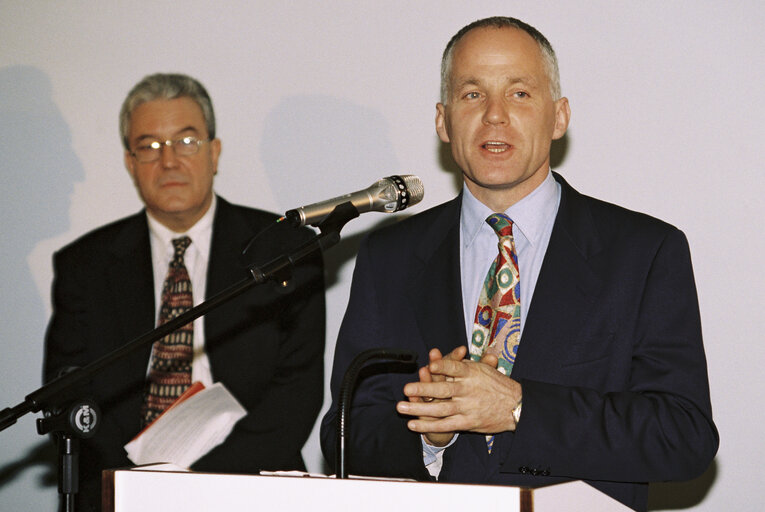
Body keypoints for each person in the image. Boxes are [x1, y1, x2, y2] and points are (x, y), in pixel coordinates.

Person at [320, 17, 717, 512]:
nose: (493, 116)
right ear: (443, 122)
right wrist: (432, 435)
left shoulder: (644, 252)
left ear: (559, 117)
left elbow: (683, 436)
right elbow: (348, 436)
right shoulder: (390, 257)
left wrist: (518, 407)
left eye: (520, 94)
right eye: (471, 95)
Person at [44, 73, 325, 511]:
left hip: (248, 488)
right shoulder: (85, 265)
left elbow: (294, 398)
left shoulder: (284, 249)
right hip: (121, 488)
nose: (169, 161)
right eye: (149, 146)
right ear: (129, 161)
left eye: (186, 141)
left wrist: (196, 488)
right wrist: (139, 487)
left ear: (214, 153)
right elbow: (71, 394)